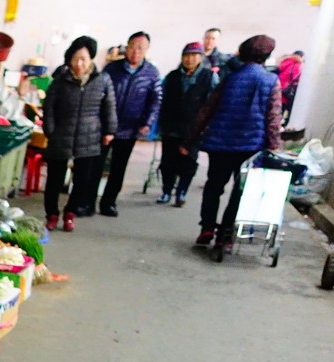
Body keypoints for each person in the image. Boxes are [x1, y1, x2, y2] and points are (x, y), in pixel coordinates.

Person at [185, 34, 282, 251]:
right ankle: (226, 235)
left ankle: (207, 228)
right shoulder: (270, 81)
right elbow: (273, 118)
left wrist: (190, 137)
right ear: (266, 56)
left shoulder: (230, 78)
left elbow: (206, 111)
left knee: (214, 186)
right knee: (240, 191)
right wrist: (275, 146)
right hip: (251, 147)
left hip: (221, 143)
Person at [41, 35, 117, 233]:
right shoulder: (60, 80)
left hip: (89, 136)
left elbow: (109, 106)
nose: (79, 63)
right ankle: (52, 214)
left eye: (84, 58)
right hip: (61, 134)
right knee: (54, 179)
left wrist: (110, 130)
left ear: (91, 59)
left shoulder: (102, 80)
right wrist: (50, 130)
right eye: (76, 58)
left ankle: (70, 214)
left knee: (82, 180)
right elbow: (48, 107)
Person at [100, 31, 162, 216]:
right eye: (133, 46)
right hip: (105, 126)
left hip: (130, 128)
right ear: (126, 47)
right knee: (96, 165)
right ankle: (85, 201)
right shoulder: (111, 69)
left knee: (118, 168)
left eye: (140, 48)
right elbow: (99, 94)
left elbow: (156, 100)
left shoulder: (151, 73)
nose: (136, 51)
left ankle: (109, 202)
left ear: (147, 50)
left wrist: (147, 122)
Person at [157, 42, 216, 206]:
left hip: (194, 129)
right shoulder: (172, 76)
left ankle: (181, 192)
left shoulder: (209, 77)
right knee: (167, 162)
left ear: (200, 58)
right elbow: (162, 100)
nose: (190, 59)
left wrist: (207, 126)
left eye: (194, 56)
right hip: (171, 127)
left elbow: (212, 104)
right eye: (186, 55)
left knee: (188, 162)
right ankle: (166, 191)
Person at [278, 51, 303, 123]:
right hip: (287, 92)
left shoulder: (284, 63)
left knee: (277, 112)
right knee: (289, 111)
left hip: (279, 90)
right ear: (300, 56)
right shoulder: (297, 65)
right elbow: (297, 78)